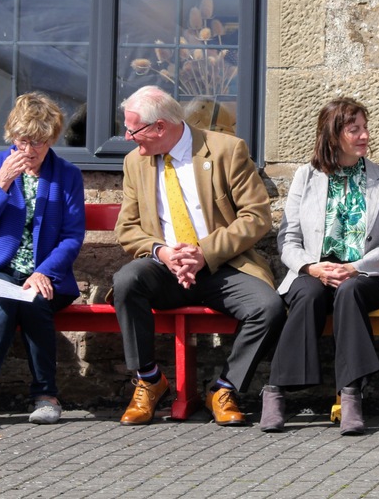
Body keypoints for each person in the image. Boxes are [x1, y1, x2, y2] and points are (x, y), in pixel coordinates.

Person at [113, 86, 285, 426]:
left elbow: (256, 217)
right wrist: (162, 252)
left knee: (269, 308)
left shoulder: (225, 150)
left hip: (222, 266)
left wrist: (203, 253)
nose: (128, 137)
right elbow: (127, 228)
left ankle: (224, 388)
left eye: (133, 129)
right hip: (165, 268)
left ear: (159, 127)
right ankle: (148, 379)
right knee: (126, 281)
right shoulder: (135, 162)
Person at [260, 98, 379, 435]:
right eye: (354, 130)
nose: (365, 135)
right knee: (308, 295)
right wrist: (312, 268)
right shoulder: (306, 176)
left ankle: (351, 395)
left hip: (366, 274)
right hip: (313, 270)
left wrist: (355, 267)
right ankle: (276, 393)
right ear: (333, 134)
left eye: (365, 128)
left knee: (350, 291)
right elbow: (289, 238)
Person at [0, 93, 84, 430]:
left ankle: (46, 397)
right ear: (12, 137)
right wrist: (2, 183)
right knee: (2, 303)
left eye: (39, 142)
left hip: (42, 274)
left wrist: (44, 270)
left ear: (52, 139)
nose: (29, 150)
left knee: (35, 302)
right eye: (23, 141)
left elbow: (72, 236)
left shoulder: (66, 175)